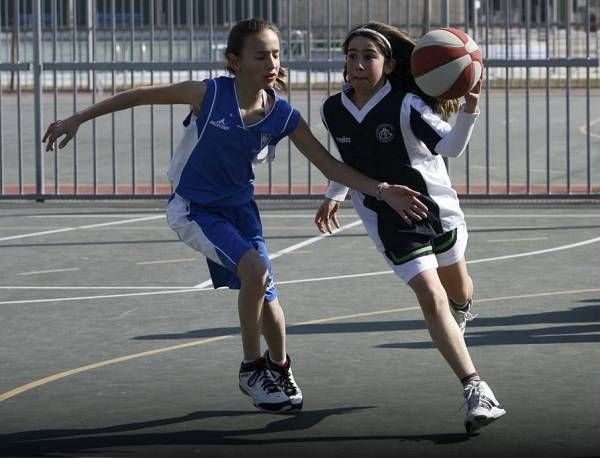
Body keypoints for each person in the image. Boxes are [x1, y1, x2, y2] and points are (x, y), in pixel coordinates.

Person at [42, 18, 428, 414]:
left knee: (269, 300)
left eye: (276, 54)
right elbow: (140, 96)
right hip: (194, 207)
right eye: (261, 55)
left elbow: (330, 166)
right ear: (235, 61)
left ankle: (279, 367)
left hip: (241, 210)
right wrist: (78, 118)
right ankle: (251, 367)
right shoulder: (209, 93)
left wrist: (382, 190)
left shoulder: (283, 116)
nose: (272, 62)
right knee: (256, 273)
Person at [314, 22, 506, 433]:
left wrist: (470, 107)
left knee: (458, 290)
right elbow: (348, 157)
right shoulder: (332, 109)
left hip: (437, 210)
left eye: (369, 55)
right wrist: (337, 192)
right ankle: (476, 389)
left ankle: (463, 310)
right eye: (352, 55)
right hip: (389, 218)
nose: (359, 63)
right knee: (430, 294)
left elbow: (451, 148)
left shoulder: (406, 105)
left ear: (389, 64)